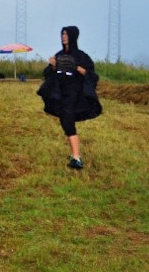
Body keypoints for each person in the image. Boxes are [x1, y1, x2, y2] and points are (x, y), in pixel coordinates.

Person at [37, 25, 102, 169]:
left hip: (74, 95)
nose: (63, 36)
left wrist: (77, 68)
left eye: (66, 34)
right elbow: (47, 74)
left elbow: (92, 75)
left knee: (67, 122)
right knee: (65, 122)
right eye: (62, 34)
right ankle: (74, 153)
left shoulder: (81, 56)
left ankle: (77, 158)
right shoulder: (59, 54)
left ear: (73, 36)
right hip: (60, 94)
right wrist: (52, 65)